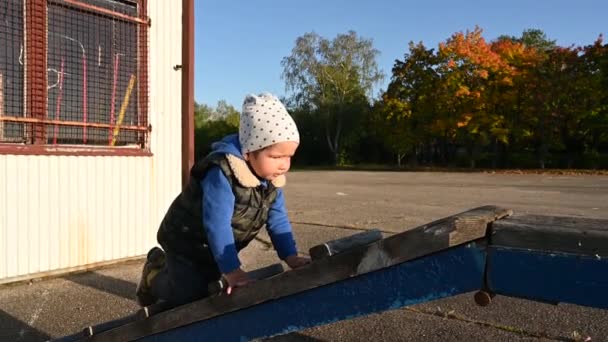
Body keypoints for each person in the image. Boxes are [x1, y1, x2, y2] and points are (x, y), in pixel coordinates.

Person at [135, 92, 310, 308]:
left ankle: (176, 275)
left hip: (210, 246)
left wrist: (290, 256)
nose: (284, 164)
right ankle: (153, 276)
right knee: (188, 294)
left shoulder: (271, 180)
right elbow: (217, 224)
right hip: (184, 239)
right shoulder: (222, 173)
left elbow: (278, 220)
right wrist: (233, 271)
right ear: (248, 153)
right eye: (276, 157)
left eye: (289, 156)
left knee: (209, 287)